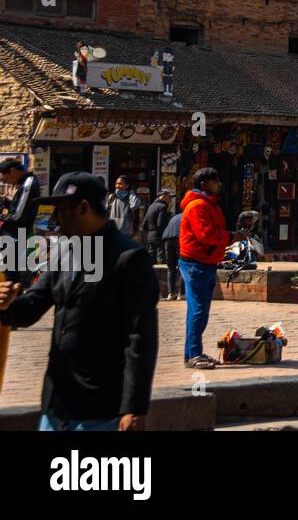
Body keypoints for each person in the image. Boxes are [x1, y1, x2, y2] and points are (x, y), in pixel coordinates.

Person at [0, 171, 158, 431]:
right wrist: (7, 305)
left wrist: (135, 408)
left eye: (61, 211)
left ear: (83, 208)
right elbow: (32, 307)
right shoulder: (64, 254)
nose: (54, 221)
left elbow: (140, 338)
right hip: (56, 405)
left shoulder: (129, 259)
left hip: (101, 410)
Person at [179, 167, 242, 369]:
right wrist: (230, 237)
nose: (219, 184)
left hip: (206, 262)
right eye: (215, 181)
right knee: (198, 310)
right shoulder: (198, 205)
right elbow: (205, 234)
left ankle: (192, 353)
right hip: (195, 263)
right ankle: (194, 354)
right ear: (204, 184)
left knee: (199, 311)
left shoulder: (210, 205)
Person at [0, 157, 40, 238]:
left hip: (20, 234)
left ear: (13, 171)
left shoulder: (28, 183)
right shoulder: (26, 181)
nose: (9, 183)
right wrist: (8, 202)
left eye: (7, 180)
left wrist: (2, 217)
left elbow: (17, 216)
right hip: (22, 232)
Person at [108, 176, 143, 240]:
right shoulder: (112, 197)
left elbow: (134, 205)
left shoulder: (131, 197)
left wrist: (131, 193)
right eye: (116, 184)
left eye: (120, 184)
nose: (117, 186)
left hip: (127, 233)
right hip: (113, 232)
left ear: (127, 185)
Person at [142, 188, 172, 265]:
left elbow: (144, 223)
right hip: (159, 236)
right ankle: (160, 277)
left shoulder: (151, 206)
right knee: (160, 258)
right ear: (164, 196)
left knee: (151, 256)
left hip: (150, 235)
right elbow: (160, 223)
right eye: (169, 197)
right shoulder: (162, 207)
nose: (170, 200)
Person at [161, 204, 184, 301]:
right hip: (179, 239)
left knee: (171, 268)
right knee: (182, 267)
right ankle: (181, 294)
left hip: (167, 239)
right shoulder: (188, 215)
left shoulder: (175, 217)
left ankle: (171, 293)